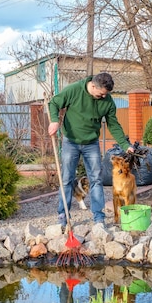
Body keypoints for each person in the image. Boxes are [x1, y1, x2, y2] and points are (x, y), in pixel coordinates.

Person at [48, 72, 134, 226]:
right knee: (66, 179)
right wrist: (54, 121)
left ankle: (98, 217)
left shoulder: (107, 101)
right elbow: (54, 103)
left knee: (96, 180)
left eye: (105, 95)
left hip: (91, 143)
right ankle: (63, 215)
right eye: (101, 94)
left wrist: (125, 145)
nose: (103, 97)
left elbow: (113, 124)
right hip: (70, 142)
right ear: (93, 86)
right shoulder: (74, 90)